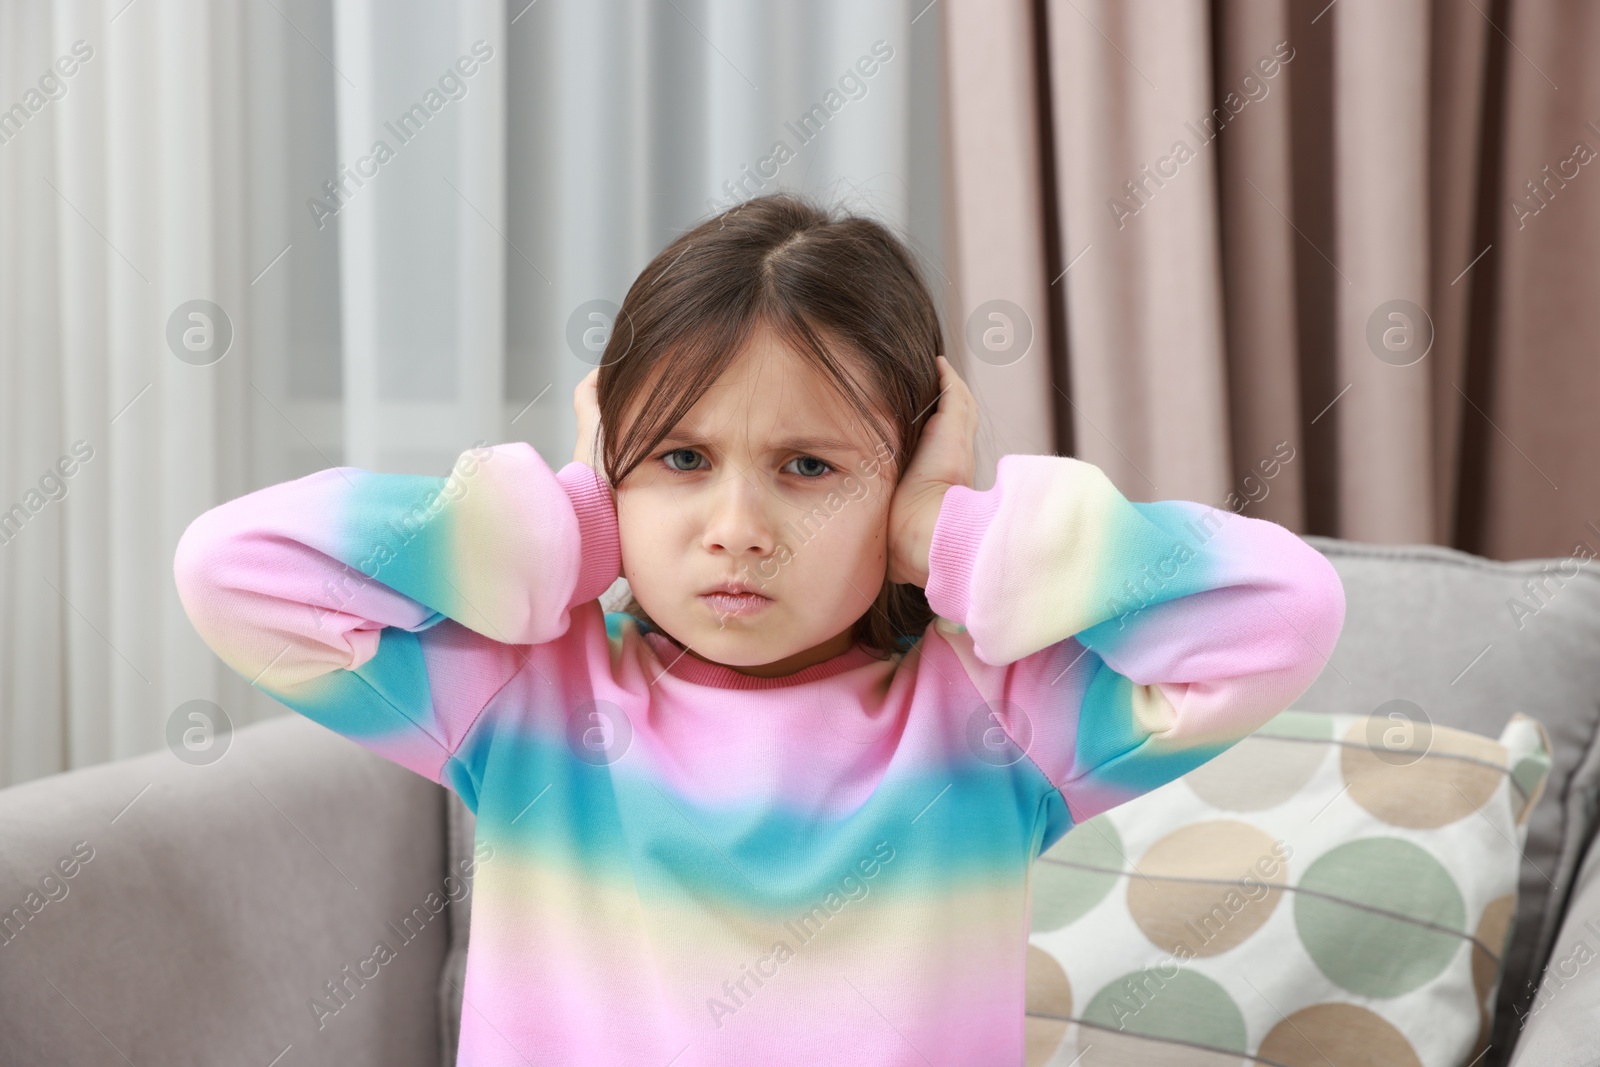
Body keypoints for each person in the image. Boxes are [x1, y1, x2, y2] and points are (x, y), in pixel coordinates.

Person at [173, 192, 1345, 1065]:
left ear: (900, 477)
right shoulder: (520, 697)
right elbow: (236, 568)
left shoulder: (996, 719)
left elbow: (1279, 611)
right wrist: (572, 525)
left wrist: (951, 533)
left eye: (809, 466)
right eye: (680, 458)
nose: (736, 526)